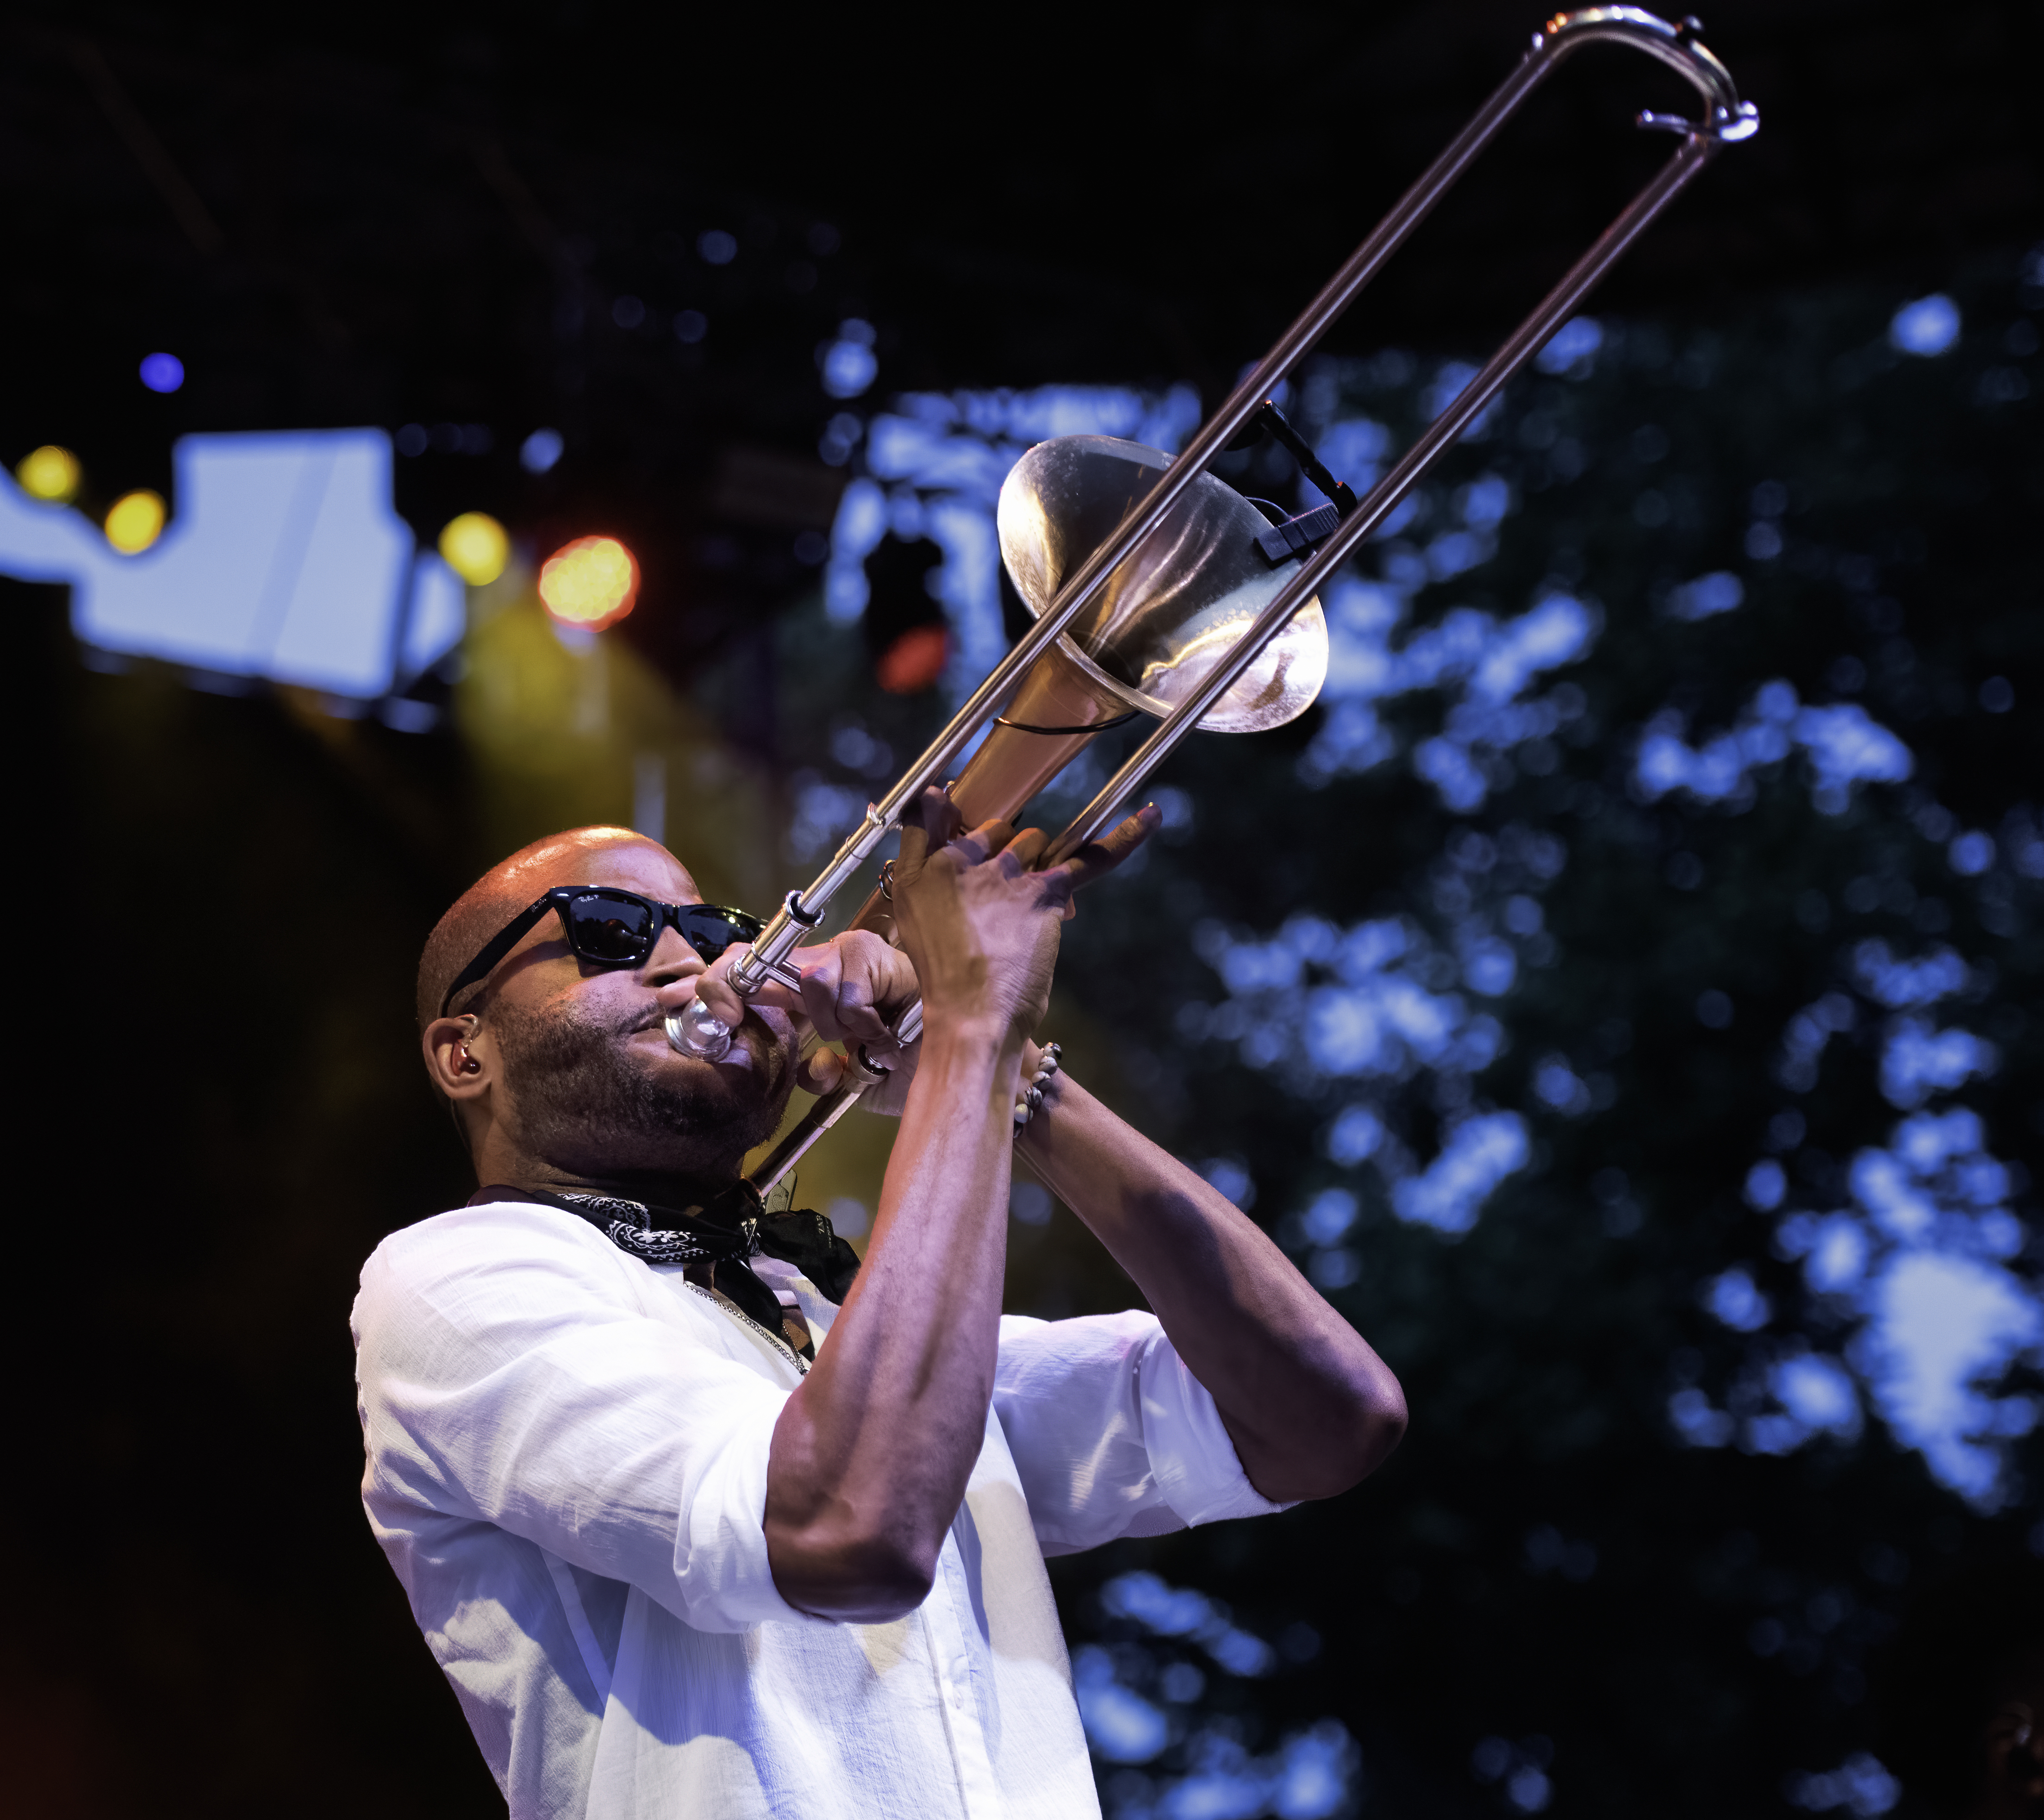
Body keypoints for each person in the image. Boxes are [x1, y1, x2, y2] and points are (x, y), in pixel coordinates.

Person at [352, 795, 1406, 1819]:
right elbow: (846, 1528)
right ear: (464, 1051)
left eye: (717, 933)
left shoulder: (825, 1313)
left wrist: (1020, 1079)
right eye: (610, 930)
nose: (693, 964)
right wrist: (971, 1031)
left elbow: (1327, 1416)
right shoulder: (454, 1278)